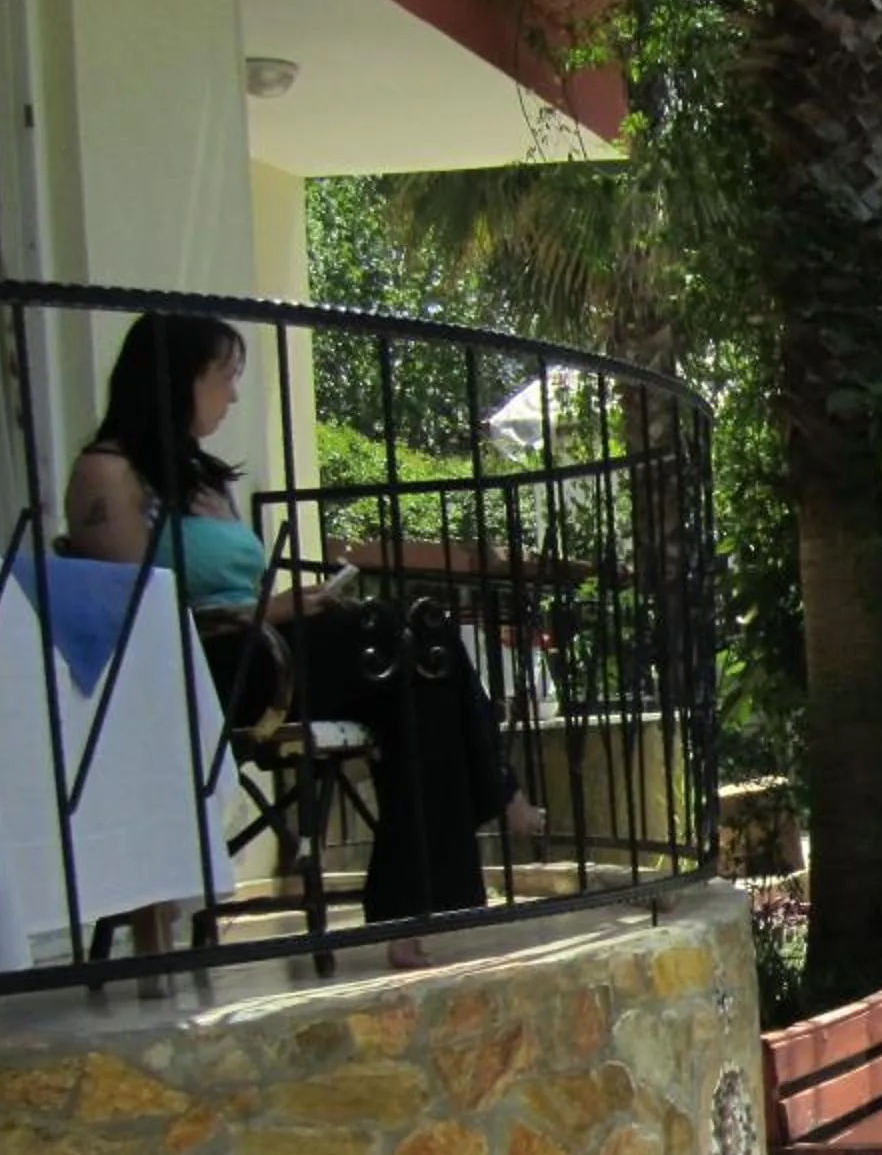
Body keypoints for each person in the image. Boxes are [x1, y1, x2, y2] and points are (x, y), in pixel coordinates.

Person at [62, 312, 543, 967]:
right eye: (224, 377)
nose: (233, 394)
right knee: (402, 640)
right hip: (215, 665)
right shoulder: (107, 475)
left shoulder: (204, 481)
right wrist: (276, 609)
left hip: (269, 642)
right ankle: (496, 788)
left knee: (420, 647)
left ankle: (406, 919)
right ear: (177, 378)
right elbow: (139, 611)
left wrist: (290, 607)